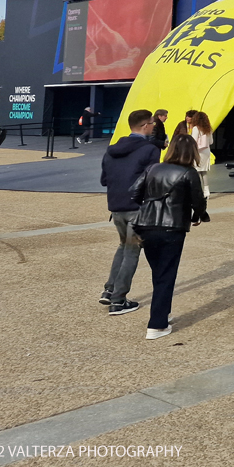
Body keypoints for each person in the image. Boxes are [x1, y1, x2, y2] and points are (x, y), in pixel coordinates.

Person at [133, 133, 207, 339]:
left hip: (146, 225)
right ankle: (156, 325)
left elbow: (134, 193)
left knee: (159, 272)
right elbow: (198, 201)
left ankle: (163, 313)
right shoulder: (189, 172)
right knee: (166, 274)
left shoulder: (152, 168)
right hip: (172, 227)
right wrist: (198, 215)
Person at [99, 109, 161, 315]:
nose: (154, 126)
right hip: (137, 208)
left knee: (123, 247)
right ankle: (119, 300)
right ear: (145, 126)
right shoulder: (150, 149)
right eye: (152, 123)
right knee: (132, 251)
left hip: (116, 207)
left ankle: (109, 290)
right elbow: (153, 180)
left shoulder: (112, 149)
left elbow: (104, 180)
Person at [190, 111, 213, 199]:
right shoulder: (208, 128)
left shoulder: (196, 128)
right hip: (206, 151)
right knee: (204, 171)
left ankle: (198, 191)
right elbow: (211, 142)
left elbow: (193, 141)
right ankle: (206, 191)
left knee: (197, 171)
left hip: (198, 151)